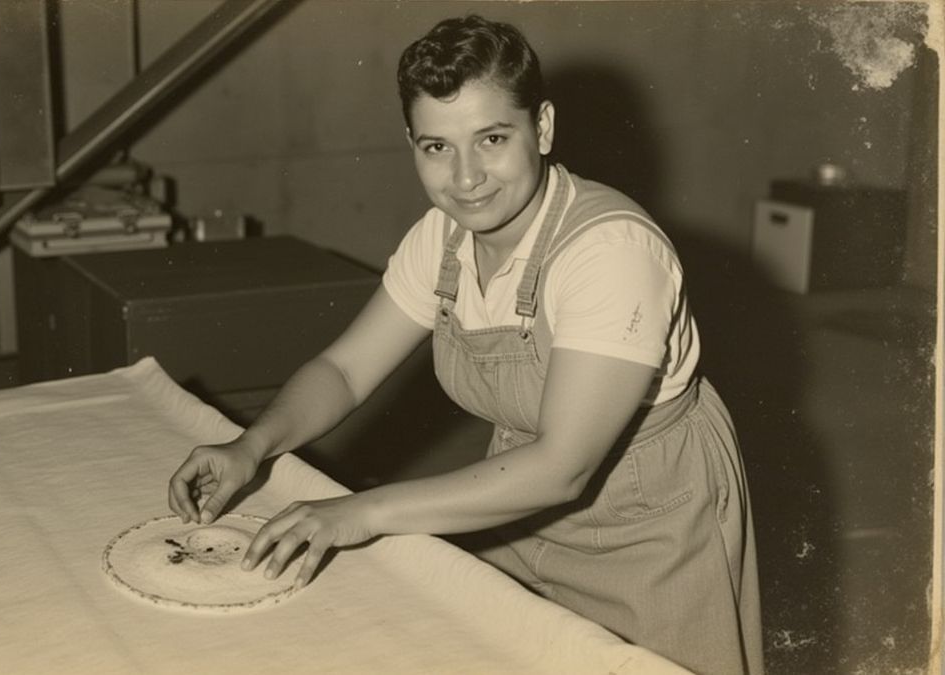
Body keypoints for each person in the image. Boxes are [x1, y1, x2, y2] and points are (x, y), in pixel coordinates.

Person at [168, 14, 763, 674]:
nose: (466, 176)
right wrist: (252, 445)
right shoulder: (441, 239)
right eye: (437, 147)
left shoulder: (610, 252)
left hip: (651, 518)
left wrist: (359, 512)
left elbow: (564, 465)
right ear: (411, 144)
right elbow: (343, 370)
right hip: (515, 493)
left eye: (492, 138)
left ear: (542, 128)